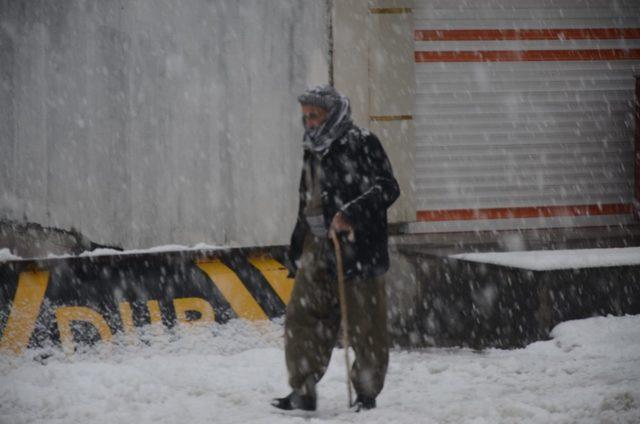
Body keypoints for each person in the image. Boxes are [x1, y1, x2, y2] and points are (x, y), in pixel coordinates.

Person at [272, 85, 400, 412]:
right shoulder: (313, 148)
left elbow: (388, 187)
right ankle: (303, 390)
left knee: (366, 326)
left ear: (333, 114)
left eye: (315, 116)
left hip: (358, 247)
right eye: (306, 117)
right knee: (302, 316)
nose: (309, 123)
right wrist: (297, 246)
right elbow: (308, 202)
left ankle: (367, 395)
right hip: (318, 247)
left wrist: (350, 214)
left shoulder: (362, 142)